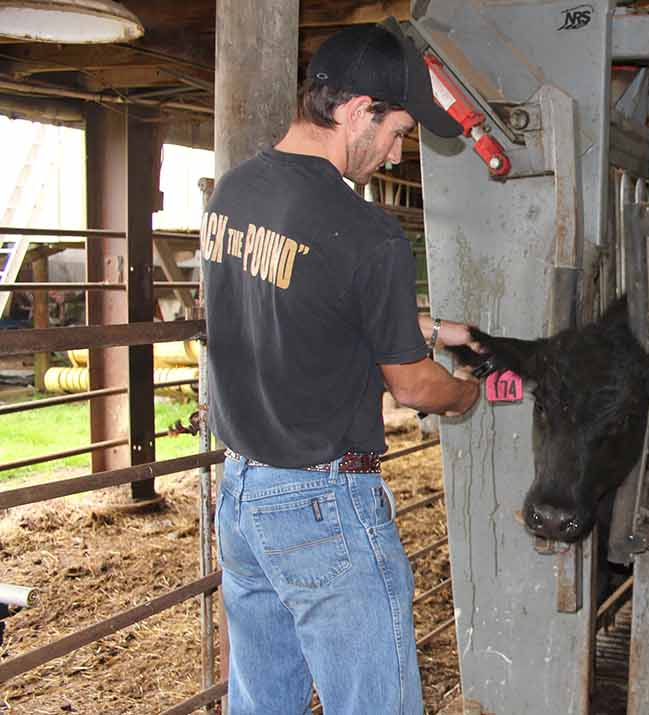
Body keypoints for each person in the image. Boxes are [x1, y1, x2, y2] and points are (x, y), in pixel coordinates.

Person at [200, 23, 480, 714]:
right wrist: (465, 391)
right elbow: (414, 385)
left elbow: (301, 304)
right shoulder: (368, 233)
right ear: (359, 110)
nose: (396, 151)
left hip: (241, 493)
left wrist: (436, 328)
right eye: (398, 131)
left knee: (264, 701)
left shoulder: (233, 193)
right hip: (322, 503)